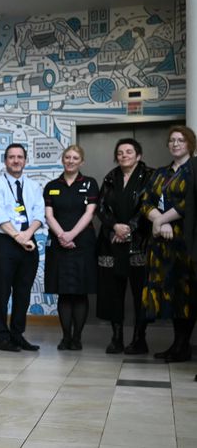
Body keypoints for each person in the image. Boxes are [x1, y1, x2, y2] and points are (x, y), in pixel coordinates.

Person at [141, 126, 197, 363]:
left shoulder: (194, 169)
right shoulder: (160, 172)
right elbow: (146, 199)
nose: (175, 144)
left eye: (180, 140)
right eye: (172, 140)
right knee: (170, 294)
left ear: (190, 144)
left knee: (186, 294)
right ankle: (176, 344)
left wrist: (163, 219)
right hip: (161, 243)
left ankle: (183, 345)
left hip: (184, 241)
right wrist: (156, 220)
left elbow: (189, 203)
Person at [0, 144, 46, 352]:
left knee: (23, 292)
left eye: (19, 157)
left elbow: (39, 214)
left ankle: (17, 334)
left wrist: (27, 236)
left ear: (25, 160)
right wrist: (19, 238)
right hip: (5, 242)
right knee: (2, 292)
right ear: (5, 161)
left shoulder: (33, 186)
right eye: (11, 157)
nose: (16, 160)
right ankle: (1, 336)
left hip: (29, 241)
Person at [96, 138, 152, 354]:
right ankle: (116, 337)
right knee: (113, 293)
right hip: (112, 242)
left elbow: (149, 205)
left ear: (138, 155)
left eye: (129, 152)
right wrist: (114, 227)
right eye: (120, 152)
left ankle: (140, 339)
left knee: (141, 293)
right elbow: (101, 207)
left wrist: (129, 228)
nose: (124, 155)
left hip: (139, 242)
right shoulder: (110, 178)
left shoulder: (150, 176)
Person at [43, 145, 98, 350]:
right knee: (64, 291)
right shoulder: (51, 185)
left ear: (81, 162)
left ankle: (77, 338)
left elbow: (89, 213)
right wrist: (62, 236)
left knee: (80, 292)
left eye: (75, 158)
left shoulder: (90, 183)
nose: (71, 160)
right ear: (62, 160)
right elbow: (49, 215)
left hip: (82, 244)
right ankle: (66, 337)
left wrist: (71, 235)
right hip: (59, 244)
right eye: (67, 157)